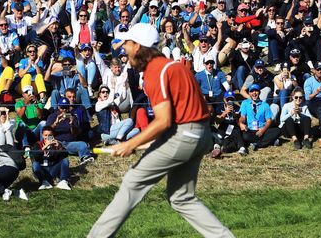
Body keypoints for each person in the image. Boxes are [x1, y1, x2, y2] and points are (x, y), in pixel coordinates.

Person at [88, 23, 232, 238]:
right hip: (200, 135)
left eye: (127, 43)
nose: (123, 48)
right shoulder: (175, 66)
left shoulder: (156, 71)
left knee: (132, 183)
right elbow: (200, 108)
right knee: (181, 198)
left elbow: (163, 120)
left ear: (137, 46)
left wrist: (130, 144)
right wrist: (150, 143)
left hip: (184, 135)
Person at [238, 83, 282, 152]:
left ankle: (256, 144)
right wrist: (240, 123)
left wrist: (263, 130)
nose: (254, 93)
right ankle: (268, 142)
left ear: (259, 92)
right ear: (249, 93)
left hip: (262, 129)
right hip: (250, 129)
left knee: (278, 131)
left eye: (256, 91)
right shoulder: (245, 103)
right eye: (252, 91)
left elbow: (269, 120)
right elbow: (242, 117)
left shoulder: (265, 105)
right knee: (244, 136)